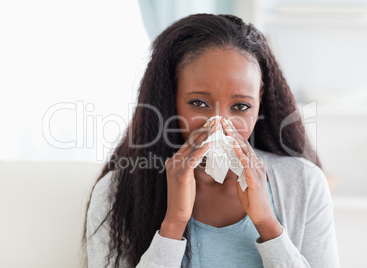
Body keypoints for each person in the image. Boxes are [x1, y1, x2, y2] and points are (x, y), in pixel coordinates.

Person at [82, 13, 340, 268]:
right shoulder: (115, 192)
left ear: (260, 100)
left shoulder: (304, 184)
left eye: (240, 106)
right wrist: (173, 224)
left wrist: (268, 225)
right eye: (198, 103)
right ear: (170, 99)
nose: (218, 126)